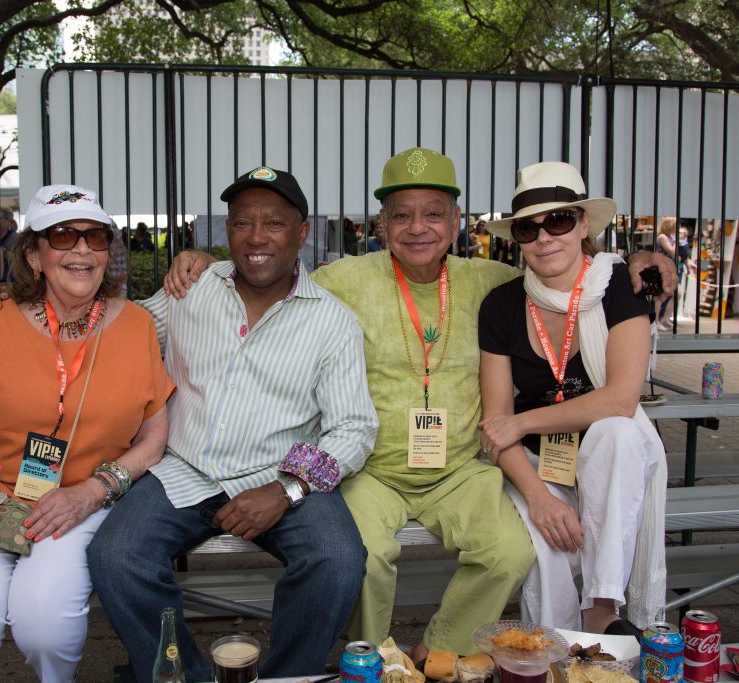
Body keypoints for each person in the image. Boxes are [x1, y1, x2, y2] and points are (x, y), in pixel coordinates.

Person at [164, 148, 679, 658]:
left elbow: (571, 273)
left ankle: (436, 654)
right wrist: (208, 264)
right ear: (382, 224)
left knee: (508, 551)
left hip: (459, 468)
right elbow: (268, 274)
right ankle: (372, 658)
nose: (418, 228)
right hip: (371, 470)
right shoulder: (341, 281)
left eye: (433, 213)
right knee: (363, 557)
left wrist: (644, 259)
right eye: (401, 215)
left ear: (456, 221)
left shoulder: (492, 283)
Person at [86, 167, 378, 681]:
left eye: (274, 223)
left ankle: (289, 678)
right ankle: (188, 677)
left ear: (303, 232)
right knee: (116, 555)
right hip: (184, 467)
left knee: (336, 558)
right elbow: (119, 333)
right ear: (227, 231)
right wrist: (28, 304)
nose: (257, 237)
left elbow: (352, 428)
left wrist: (287, 489)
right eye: (242, 223)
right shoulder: (191, 291)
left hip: (280, 474)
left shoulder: (331, 320)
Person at [0, 184, 174, 683]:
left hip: (80, 502)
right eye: (63, 236)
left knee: (44, 622)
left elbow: (153, 437)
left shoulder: (138, 326)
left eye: (95, 237)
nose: (82, 249)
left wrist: (94, 490)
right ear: (35, 256)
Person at [477, 161, 667, 634]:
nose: (544, 237)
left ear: (583, 225)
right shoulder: (501, 305)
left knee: (617, 433)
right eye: (528, 227)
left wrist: (521, 423)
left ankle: (602, 607)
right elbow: (494, 422)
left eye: (558, 220)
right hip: (540, 466)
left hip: (610, 467)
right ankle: (554, 647)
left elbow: (621, 399)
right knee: (543, 545)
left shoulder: (622, 285)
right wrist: (539, 497)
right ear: (516, 239)